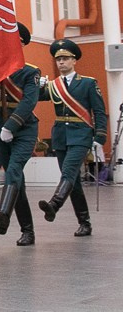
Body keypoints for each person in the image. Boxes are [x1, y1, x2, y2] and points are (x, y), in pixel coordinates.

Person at [37, 38, 106, 237]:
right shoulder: (54, 86)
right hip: (61, 136)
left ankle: (54, 204)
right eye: (58, 59)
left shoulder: (88, 83)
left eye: (66, 58)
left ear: (74, 61)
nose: (61, 62)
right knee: (73, 181)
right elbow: (36, 97)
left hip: (81, 135)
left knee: (68, 171)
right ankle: (84, 223)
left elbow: (99, 111)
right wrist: (37, 85)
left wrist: (100, 137)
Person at [0, 23, 39, 246]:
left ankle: (4, 213)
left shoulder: (30, 71)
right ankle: (27, 231)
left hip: (24, 129)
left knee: (13, 170)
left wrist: (11, 126)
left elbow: (29, 102)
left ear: (21, 44)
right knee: (17, 180)